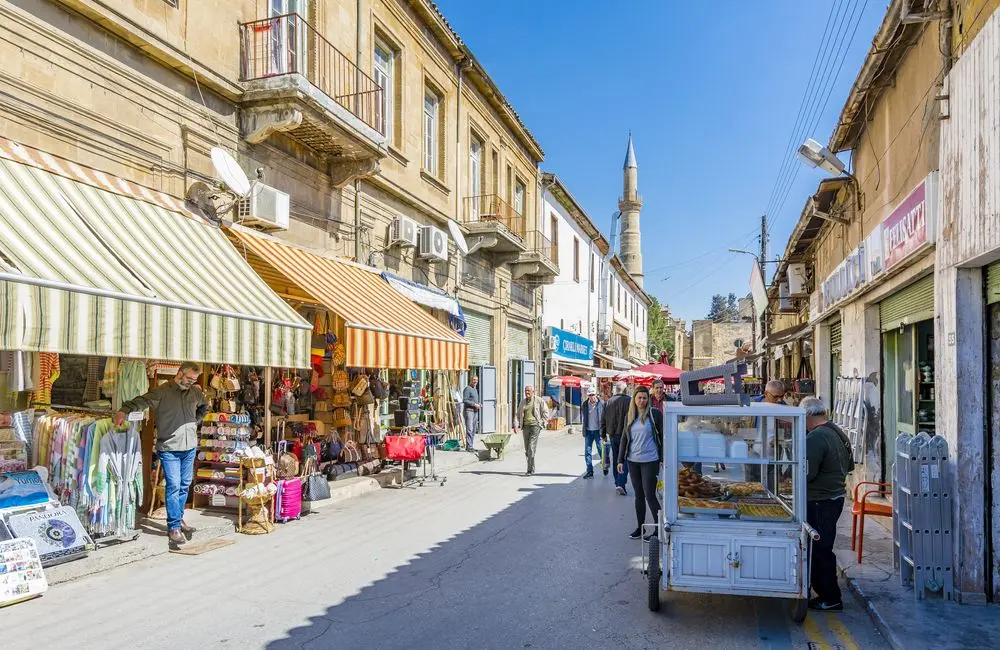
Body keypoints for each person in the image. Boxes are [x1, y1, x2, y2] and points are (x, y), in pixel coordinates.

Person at [115, 362, 207, 546]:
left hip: (189, 446)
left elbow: (204, 406)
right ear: (179, 373)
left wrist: (194, 421)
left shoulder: (195, 393)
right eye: (189, 379)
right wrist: (123, 411)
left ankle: (178, 519)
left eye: (194, 380)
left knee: (184, 485)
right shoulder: (162, 392)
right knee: (173, 485)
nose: (191, 382)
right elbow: (141, 401)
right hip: (169, 447)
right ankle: (173, 527)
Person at [801, 396, 854, 612]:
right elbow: (850, 466)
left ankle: (830, 597)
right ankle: (825, 592)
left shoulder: (815, 437)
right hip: (835, 497)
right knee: (822, 546)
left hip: (820, 501)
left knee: (820, 549)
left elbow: (807, 473)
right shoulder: (837, 431)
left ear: (807, 416)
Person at [617, 386, 663, 540]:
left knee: (650, 495)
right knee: (639, 495)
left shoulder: (654, 414)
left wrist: (662, 458)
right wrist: (620, 460)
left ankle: (658, 530)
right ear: (634, 399)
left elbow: (663, 437)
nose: (642, 401)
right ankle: (640, 528)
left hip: (650, 461)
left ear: (648, 399)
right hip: (633, 461)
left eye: (644, 398)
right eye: (639, 398)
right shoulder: (630, 416)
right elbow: (624, 438)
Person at [601, 381, 631, 495]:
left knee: (616, 458)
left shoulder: (608, 402)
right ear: (625, 390)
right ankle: (621, 482)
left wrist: (603, 434)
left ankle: (617, 481)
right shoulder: (629, 401)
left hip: (613, 434)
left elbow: (603, 419)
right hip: (626, 434)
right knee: (625, 458)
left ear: (616, 390)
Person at [513, 384, 549, 476]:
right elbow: (517, 415)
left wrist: (542, 423)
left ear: (533, 392)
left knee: (531, 448)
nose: (527, 392)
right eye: (525, 391)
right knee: (527, 449)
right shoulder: (522, 402)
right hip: (525, 427)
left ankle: (530, 470)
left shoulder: (539, 400)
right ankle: (531, 467)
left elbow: (546, 412)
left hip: (535, 426)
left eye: (528, 391)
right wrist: (516, 426)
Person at [580, 386, 605, 478]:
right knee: (587, 451)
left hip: (598, 431)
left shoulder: (601, 404)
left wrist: (605, 430)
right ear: (588, 396)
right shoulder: (585, 404)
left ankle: (604, 466)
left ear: (596, 394)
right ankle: (590, 471)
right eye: (590, 395)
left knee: (601, 450)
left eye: (593, 394)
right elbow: (584, 418)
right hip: (588, 431)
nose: (591, 397)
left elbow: (605, 418)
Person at [462, 374, 481, 452]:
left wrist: (478, 404)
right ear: (471, 380)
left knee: (473, 430)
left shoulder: (475, 390)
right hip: (469, 411)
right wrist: (474, 404)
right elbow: (465, 400)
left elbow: (474, 400)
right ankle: (469, 447)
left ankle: (470, 446)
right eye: (474, 380)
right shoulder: (467, 389)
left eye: (476, 380)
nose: (475, 382)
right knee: (469, 429)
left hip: (475, 411)